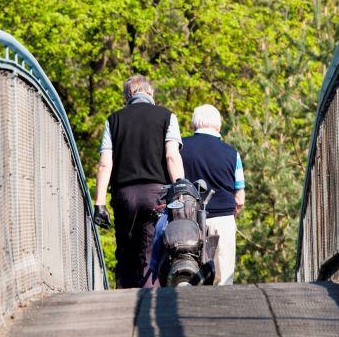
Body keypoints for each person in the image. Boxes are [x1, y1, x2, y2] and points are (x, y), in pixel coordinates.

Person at [93, 76, 184, 288]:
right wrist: (181, 186)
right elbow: (172, 156)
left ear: (127, 96)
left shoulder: (113, 120)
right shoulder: (167, 117)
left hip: (124, 195)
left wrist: (99, 203)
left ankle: (120, 299)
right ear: (150, 94)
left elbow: (105, 163)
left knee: (125, 250)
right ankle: (146, 302)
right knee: (150, 251)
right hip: (156, 194)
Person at [180, 104, 244, 285]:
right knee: (222, 279)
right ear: (219, 125)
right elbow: (240, 198)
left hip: (187, 221)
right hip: (222, 220)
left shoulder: (180, 148)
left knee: (188, 277)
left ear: (194, 125)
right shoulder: (232, 153)